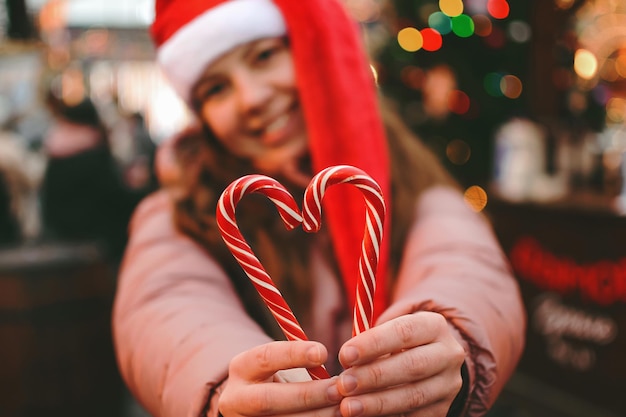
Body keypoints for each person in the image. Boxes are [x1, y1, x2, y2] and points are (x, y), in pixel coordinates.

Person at [112, 1, 526, 417]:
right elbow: (167, 303)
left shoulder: (408, 182)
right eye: (215, 89)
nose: (251, 98)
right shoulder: (178, 212)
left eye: (265, 55)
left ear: (317, 47)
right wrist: (228, 386)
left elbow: (464, 263)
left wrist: (447, 340)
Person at [40, 93, 140, 261]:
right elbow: (113, 198)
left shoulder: (55, 151)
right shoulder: (92, 151)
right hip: (97, 241)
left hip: (60, 235)